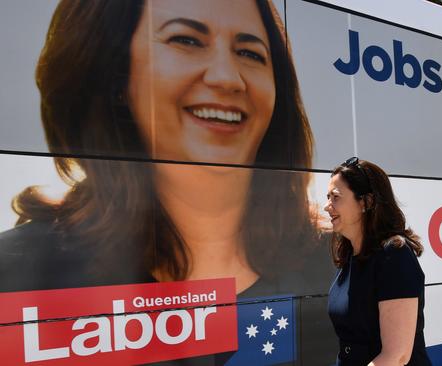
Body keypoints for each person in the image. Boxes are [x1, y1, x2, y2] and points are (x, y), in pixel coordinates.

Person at [0, 0, 335, 364]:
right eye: (187, 41)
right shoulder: (21, 270)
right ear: (114, 77)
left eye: (249, 53)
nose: (227, 76)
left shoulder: (332, 259)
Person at [325, 157, 432, 366]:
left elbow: (397, 356)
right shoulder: (350, 257)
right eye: (328, 197)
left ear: (367, 202)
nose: (327, 206)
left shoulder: (394, 255)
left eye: (336, 197)